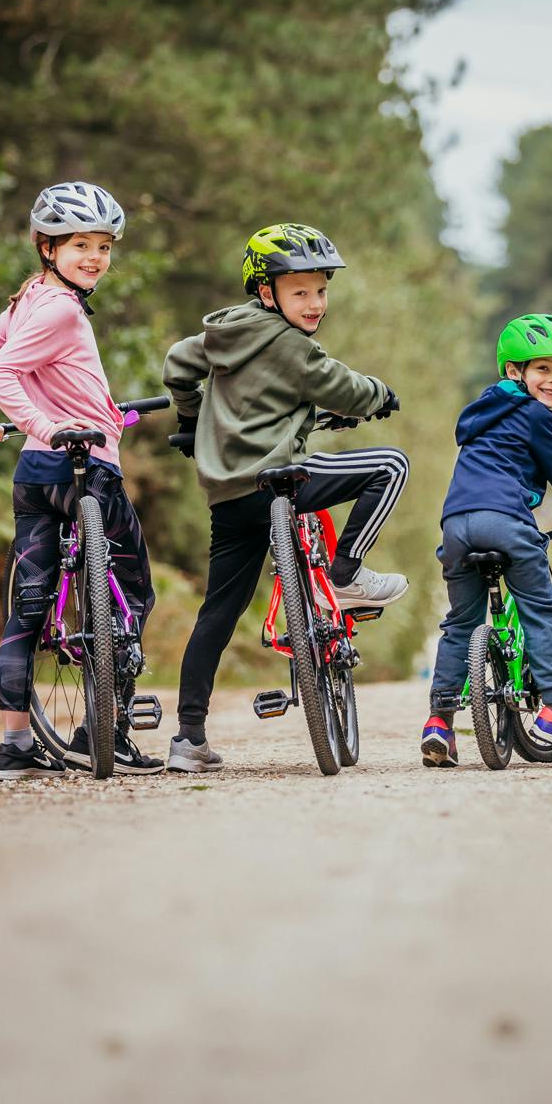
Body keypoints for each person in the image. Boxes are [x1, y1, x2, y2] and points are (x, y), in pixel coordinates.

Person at [161, 223, 409, 771]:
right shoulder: (293, 346)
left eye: (321, 289)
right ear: (266, 292)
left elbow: (178, 364)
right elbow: (344, 387)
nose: (315, 302)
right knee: (390, 465)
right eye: (300, 291)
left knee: (218, 613)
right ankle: (345, 575)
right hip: (282, 481)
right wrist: (381, 395)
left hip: (228, 495)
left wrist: (190, 415)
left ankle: (188, 738)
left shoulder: (224, 333)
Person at [0, 181, 158, 777]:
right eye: (79, 246)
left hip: (35, 476)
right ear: (48, 249)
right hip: (85, 468)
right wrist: (48, 425)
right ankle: (107, 730)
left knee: (28, 608)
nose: (94, 257)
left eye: (102, 246)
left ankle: (15, 748)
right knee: (133, 592)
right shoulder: (63, 308)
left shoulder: (30, 301)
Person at [419, 314, 552, 767]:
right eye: (542, 369)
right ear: (513, 372)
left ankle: (439, 721)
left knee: (461, 622)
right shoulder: (536, 415)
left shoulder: (483, 413)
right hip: (505, 521)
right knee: (542, 608)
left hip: (456, 524)